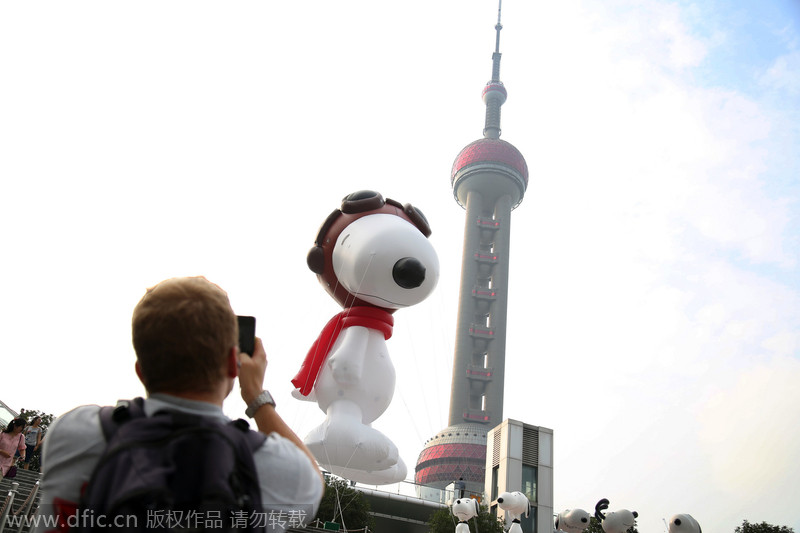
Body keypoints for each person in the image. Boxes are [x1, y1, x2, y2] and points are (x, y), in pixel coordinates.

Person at [34, 276, 324, 532]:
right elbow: (314, 478)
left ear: (141, 370)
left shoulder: (73, 433)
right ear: (233, 365)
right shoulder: (278, 468)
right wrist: (257, 397)